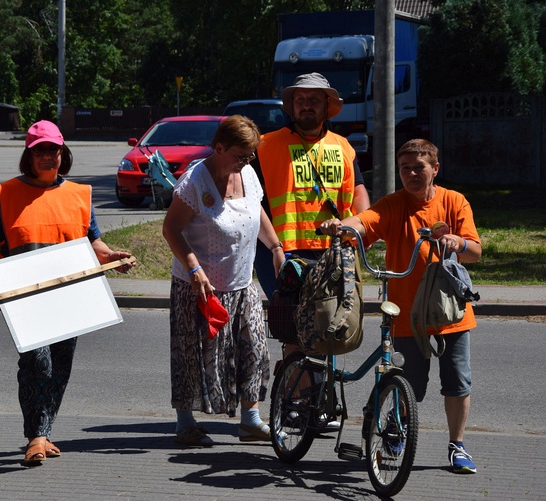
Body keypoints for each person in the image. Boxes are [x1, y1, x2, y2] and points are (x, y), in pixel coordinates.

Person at [0, 120, 134, 465]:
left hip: (71, 295)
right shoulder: (5, 194)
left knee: (61, 366)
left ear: (63, 153)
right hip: (25, 298)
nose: (48, 156)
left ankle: (44, 431)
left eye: (53, 150)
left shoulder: (79, 194)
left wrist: (112, 257)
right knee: (36, 364)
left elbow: (94, 241)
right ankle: (36, 435)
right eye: (40, 151)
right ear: (28, 156)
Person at [320, 138, 481, 474]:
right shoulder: (394, 205)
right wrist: (342, 225)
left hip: (451, 312)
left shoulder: (455, 201)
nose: (410, 173)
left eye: (418, 167)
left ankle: (457, 446)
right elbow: (365, 221)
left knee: (457, 383)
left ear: (435, 169)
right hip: (406, 313)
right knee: (411, 387)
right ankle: (397, 422)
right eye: (404, 168)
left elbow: (474, 251)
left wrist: (458, 241)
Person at [162, 115, 285, 446]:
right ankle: (185, 422)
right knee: (192, 354)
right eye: (242, 155)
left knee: (256, 350)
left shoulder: (246, 173)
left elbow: (256, 211)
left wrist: (274, 246)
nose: (249, 161)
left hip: (243, 285)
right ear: (219, 148)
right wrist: (193, 268)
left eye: (251, 155)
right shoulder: (194, 183)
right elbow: (170, 229)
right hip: (198, 288)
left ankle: (251, 420)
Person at [250, 72, 371, 301]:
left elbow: (358, 189)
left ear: (327, 105)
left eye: (313, 100)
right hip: (283, 252)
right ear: (292, 106)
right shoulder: (265, 146)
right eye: (300, 100)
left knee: (331, 326)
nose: (306, 106)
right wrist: (274, 248)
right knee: (292, 328)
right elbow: (250, 200)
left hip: (335, 249)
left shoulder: (343, 146)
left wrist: (364, 228)